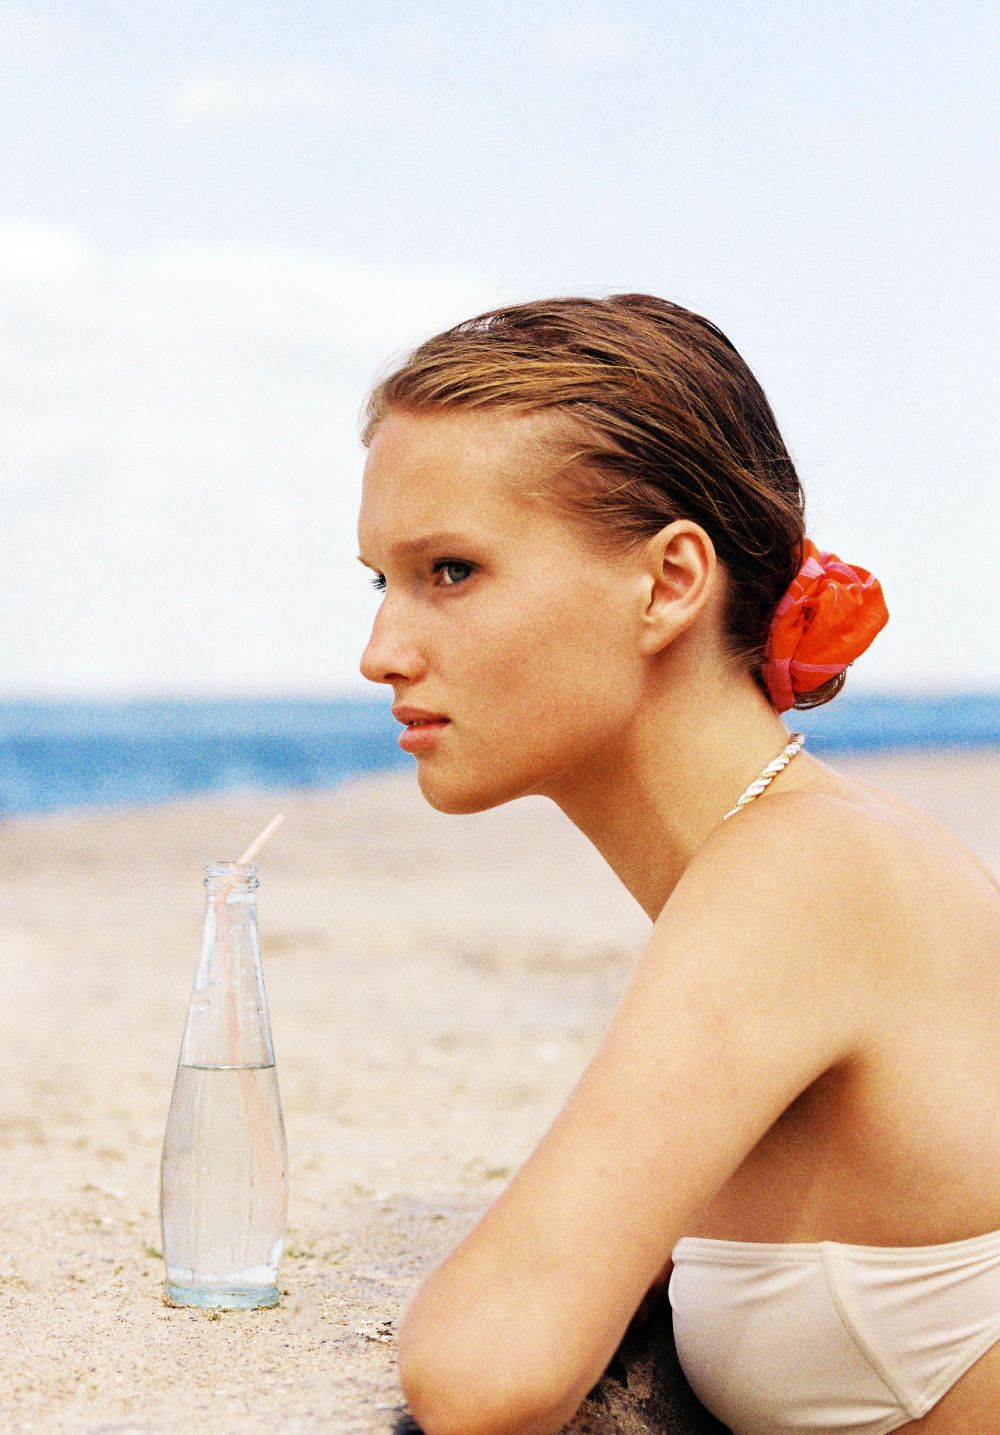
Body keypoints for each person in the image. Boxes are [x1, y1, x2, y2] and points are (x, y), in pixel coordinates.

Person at [354, 294, 1000, 1435]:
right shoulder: (800, 853)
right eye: (380, 581)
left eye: (450, 571)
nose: (381, 652)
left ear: (667, 584)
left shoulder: (803, 876)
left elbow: (483, 1369)